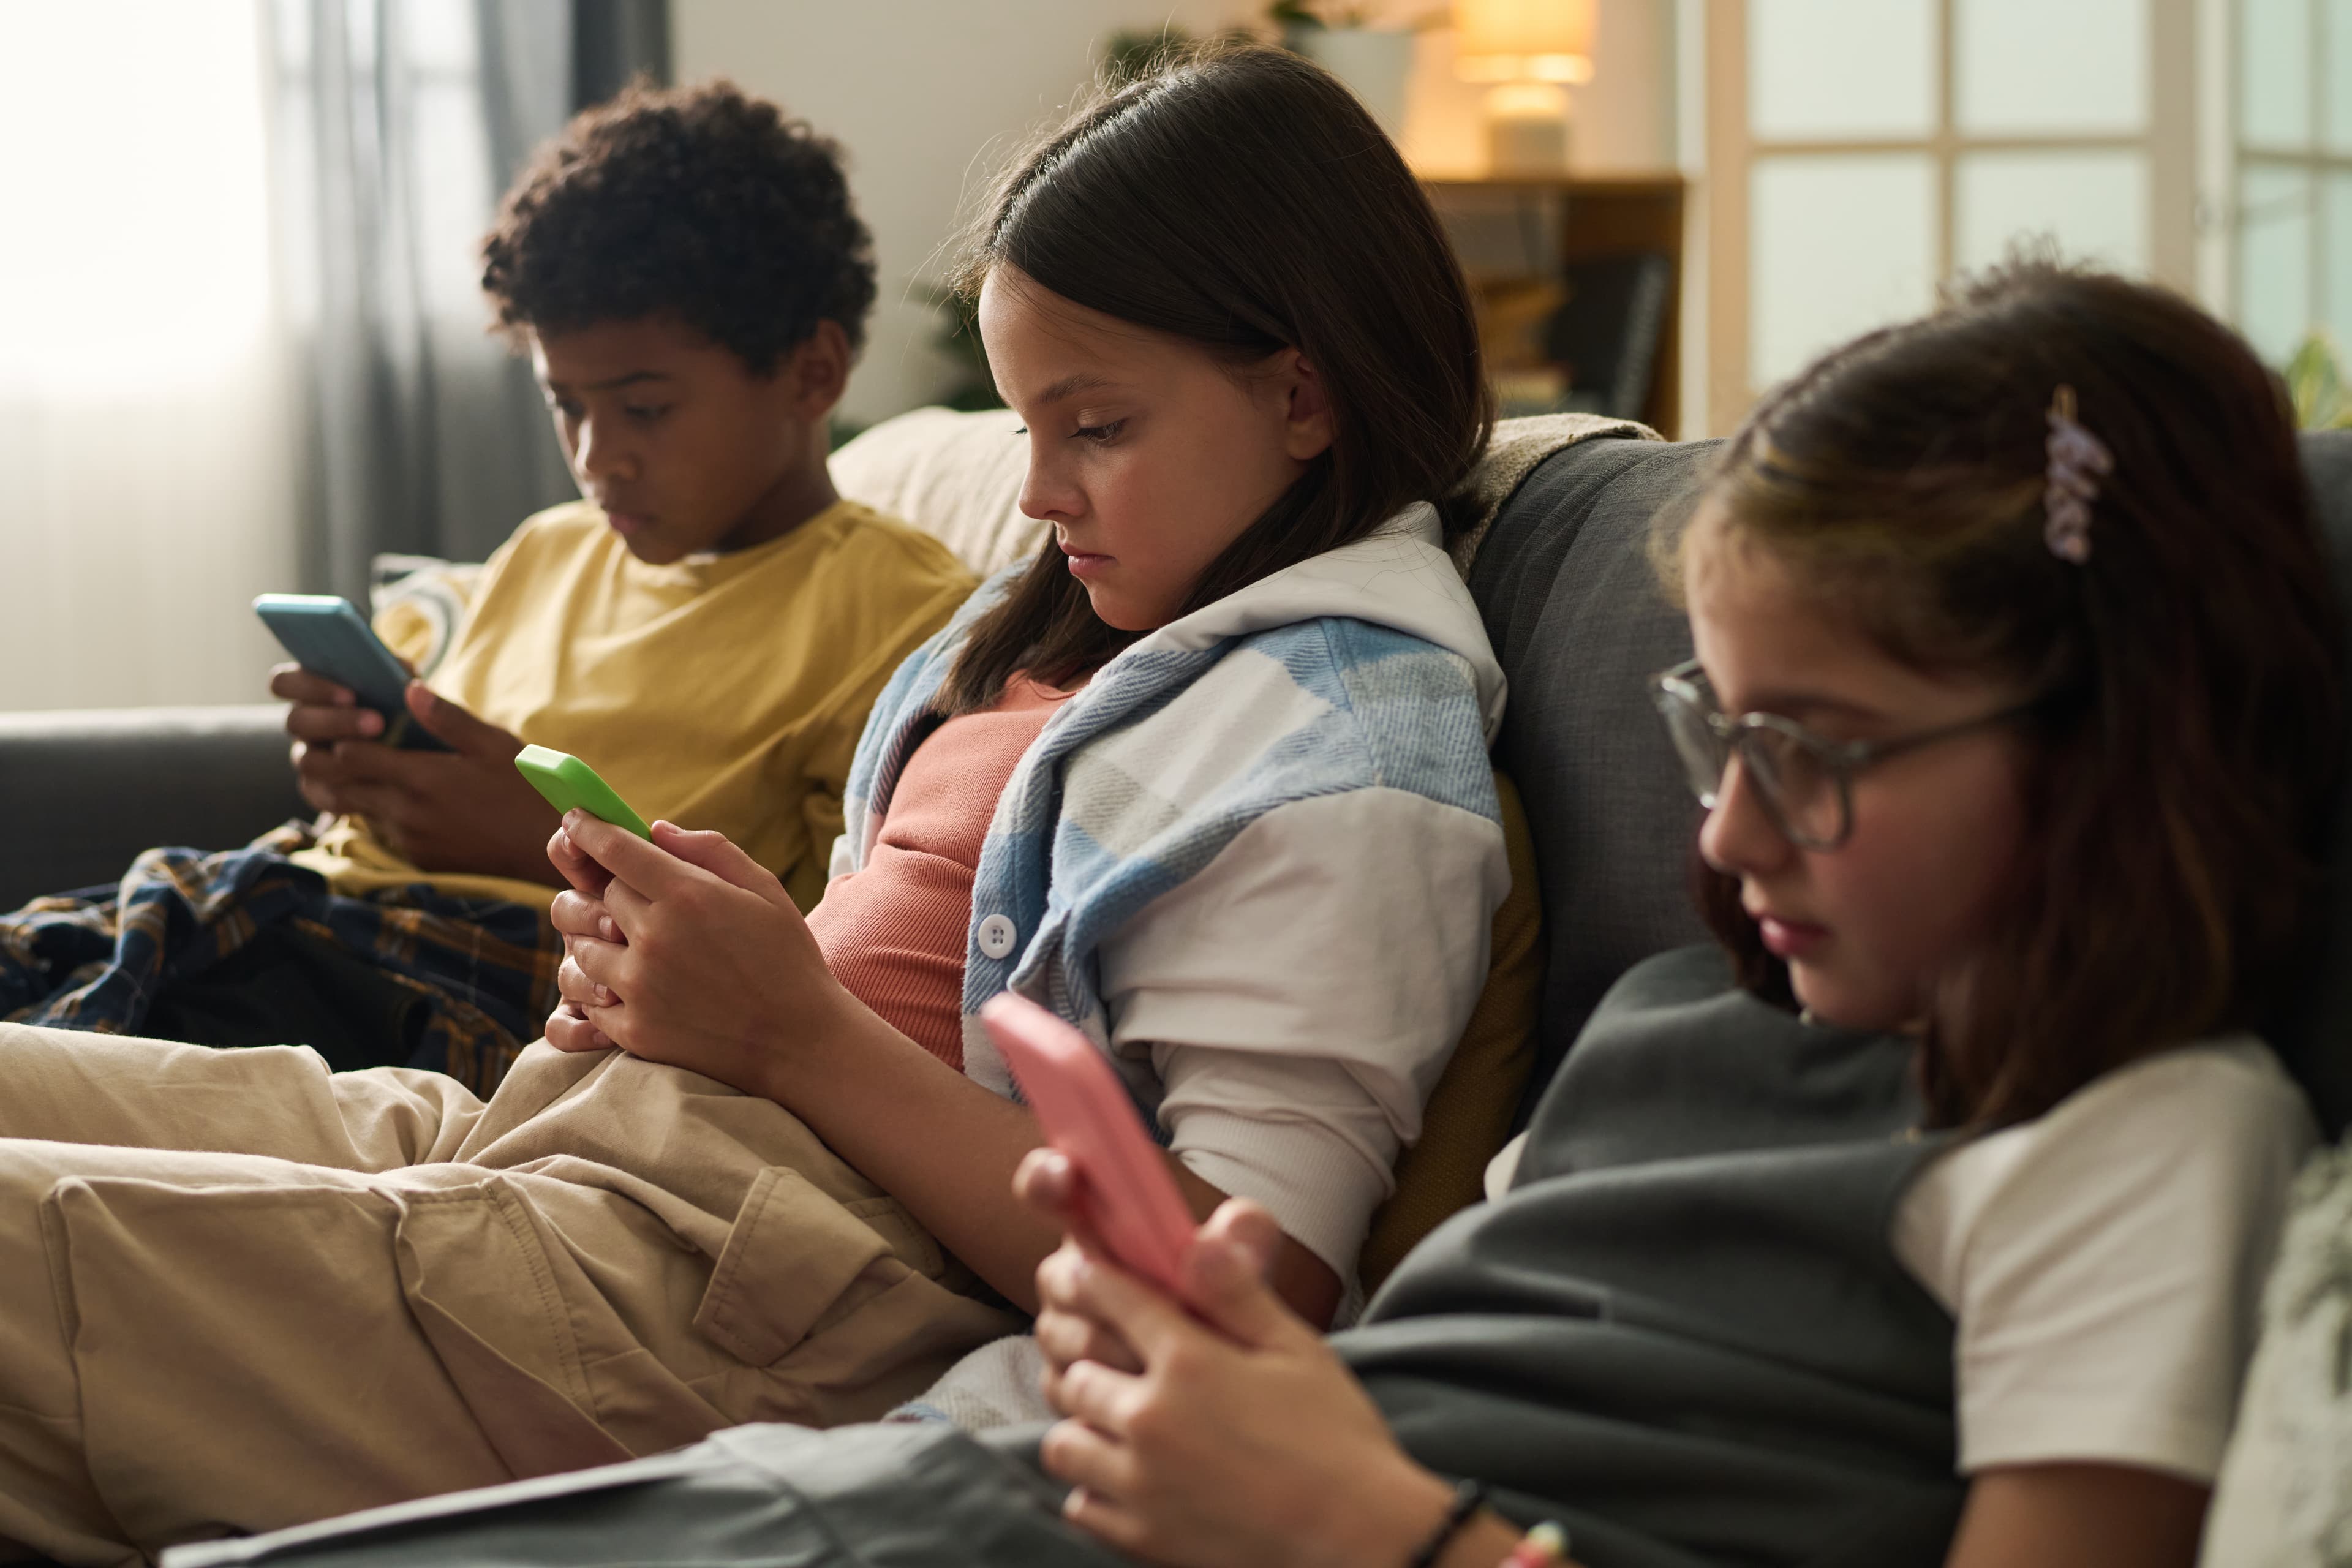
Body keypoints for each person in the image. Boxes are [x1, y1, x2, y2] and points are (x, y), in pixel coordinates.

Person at [182, 258, 2345, 1568]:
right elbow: (1428, 1357)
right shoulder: (1717, 1012)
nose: (1730, 836)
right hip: (1061, 1477)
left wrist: (1375, 1528)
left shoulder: (2137, 1139)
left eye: (1819, 753)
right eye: (1721, 727)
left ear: (2106, 740)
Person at [0, 43, 1513, 1566]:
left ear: (1304, 394)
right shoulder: (1078, 623)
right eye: (1023, 430)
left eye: (1096, 427)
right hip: (570, 1142)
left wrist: (787, 1025)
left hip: (716, 1298)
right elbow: (890, 975)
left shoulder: (1356, 756)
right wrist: (683, 961)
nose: (1040, 491)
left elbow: (1236, 1299)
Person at [0, 81, 974, 1095]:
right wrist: (365, 775)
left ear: (812, 373)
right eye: (567, 404)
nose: (598, 456)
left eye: (644, 409)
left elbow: (837, 961)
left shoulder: (904, 620)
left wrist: (536, 848)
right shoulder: (548, 551)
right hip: (292, 900)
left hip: (484, 974)